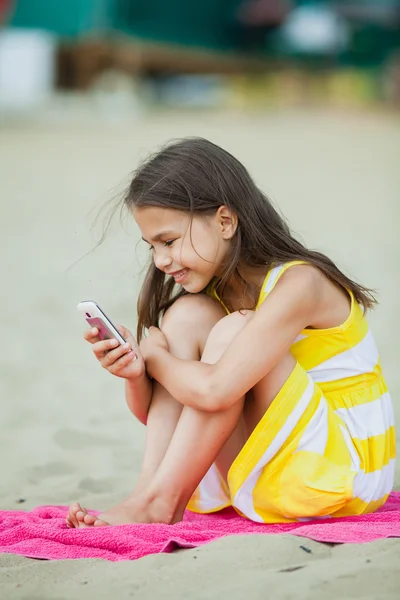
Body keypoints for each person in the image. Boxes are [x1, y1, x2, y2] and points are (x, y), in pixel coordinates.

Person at [67, 137, 395, 528]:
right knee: (187, 315)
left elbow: (214, 391)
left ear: (225, 221)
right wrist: (137, 374)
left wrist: (156, 357)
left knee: (234, 330)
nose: (161, 260)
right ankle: (150, 495)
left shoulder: (301, 284)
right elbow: (164, 416)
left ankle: (160, 500)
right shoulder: (211, 298)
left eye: (168, 241)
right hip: (267, 471)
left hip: (341, 475)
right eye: (151, 247)